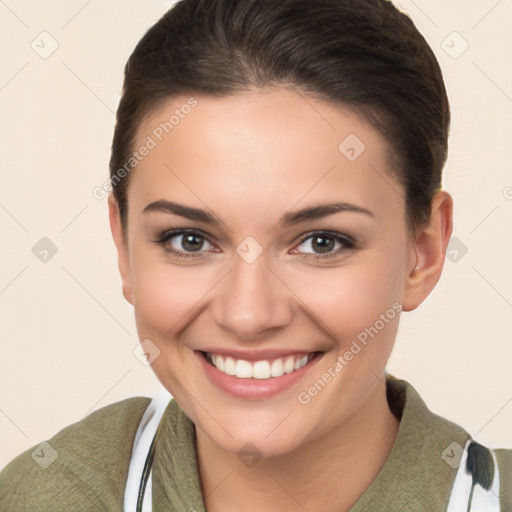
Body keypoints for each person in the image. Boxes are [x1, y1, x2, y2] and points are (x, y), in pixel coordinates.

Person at [0, 0, 510, 510]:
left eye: (321, 242)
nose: (248, 315)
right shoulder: (44, 495)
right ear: (125, 246)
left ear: (423, 253)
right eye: (190, 240)